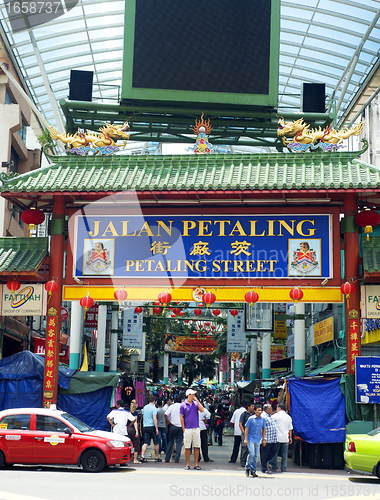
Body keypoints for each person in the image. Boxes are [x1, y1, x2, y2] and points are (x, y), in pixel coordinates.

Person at [180, 389, 204, 470]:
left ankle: (196, 464)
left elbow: (202, 409)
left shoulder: (195, 404)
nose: (194, 396)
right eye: (193, 394)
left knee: (196, 446)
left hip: (196, 427)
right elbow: (181, 417)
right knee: (187, 447)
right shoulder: (183, 405)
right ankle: (187, 464)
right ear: (188, 395)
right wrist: (184, 429)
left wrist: (197, 400)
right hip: (187, 428)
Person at [269, 402, 293, 473]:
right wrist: (290, 438)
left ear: (279, 407)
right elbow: (290, 429)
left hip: (277, 438)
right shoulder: (288, 417)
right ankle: (283, 468)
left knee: (275, 453)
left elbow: (269, 423)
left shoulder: (275, 416)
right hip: (285, 438)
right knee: (284, 454)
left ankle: (274, 467)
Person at [244, 404, 266, 477]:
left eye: (261, 410)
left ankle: (253, 470)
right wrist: (246, 439)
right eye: (258, 410)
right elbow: (246, 428)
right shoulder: (251, 419)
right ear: (254, 411)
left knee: (256, 456)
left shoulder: (263, 419)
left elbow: (263, 429)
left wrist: (263, 438)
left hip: (258, 439)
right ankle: (247, 467)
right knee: (252, 453)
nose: (260, 412)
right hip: (250, 438)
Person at [141, 395, 160, 462]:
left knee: (145, 442)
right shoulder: (154, 408)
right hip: (152, 426)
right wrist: (156, 428)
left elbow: (143, 416)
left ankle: (142, 456)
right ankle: (156, 457)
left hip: (145, 426)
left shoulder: (145, 407)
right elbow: (154, 419)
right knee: (156, 442)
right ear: (154, 401)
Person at [164, 395, 183, 463]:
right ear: (181, 400)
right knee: (179, 443)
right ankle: (176, 459)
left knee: (170, 442)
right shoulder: (183, 406)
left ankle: (167, 458)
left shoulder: (171, 406)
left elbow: (165, 414)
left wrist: (169, 422)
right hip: (180, 426)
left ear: (174, 400)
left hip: (172, 426)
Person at [260, 403, 278, 474]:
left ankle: (264, 462)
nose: (271, 410)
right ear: (266, 409)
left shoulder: (269, 415)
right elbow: (262, 428)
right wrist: (263, 438)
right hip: (267, 439)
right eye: (270, 409)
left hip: (272, 439)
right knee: (264, 453)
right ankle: (264, 468)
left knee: (274, 451)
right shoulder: (263, 416)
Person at [239, 401, 255, 467]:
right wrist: (243, 432)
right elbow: (240, 423)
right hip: (245, 433)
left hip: (252, 433)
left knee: (251, 447)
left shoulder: (254, 415)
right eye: (252, 406)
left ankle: (249, 460)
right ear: (248, 407)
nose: (253, 408)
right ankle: (243, 460)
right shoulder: (244, 414)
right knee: (244, 447)